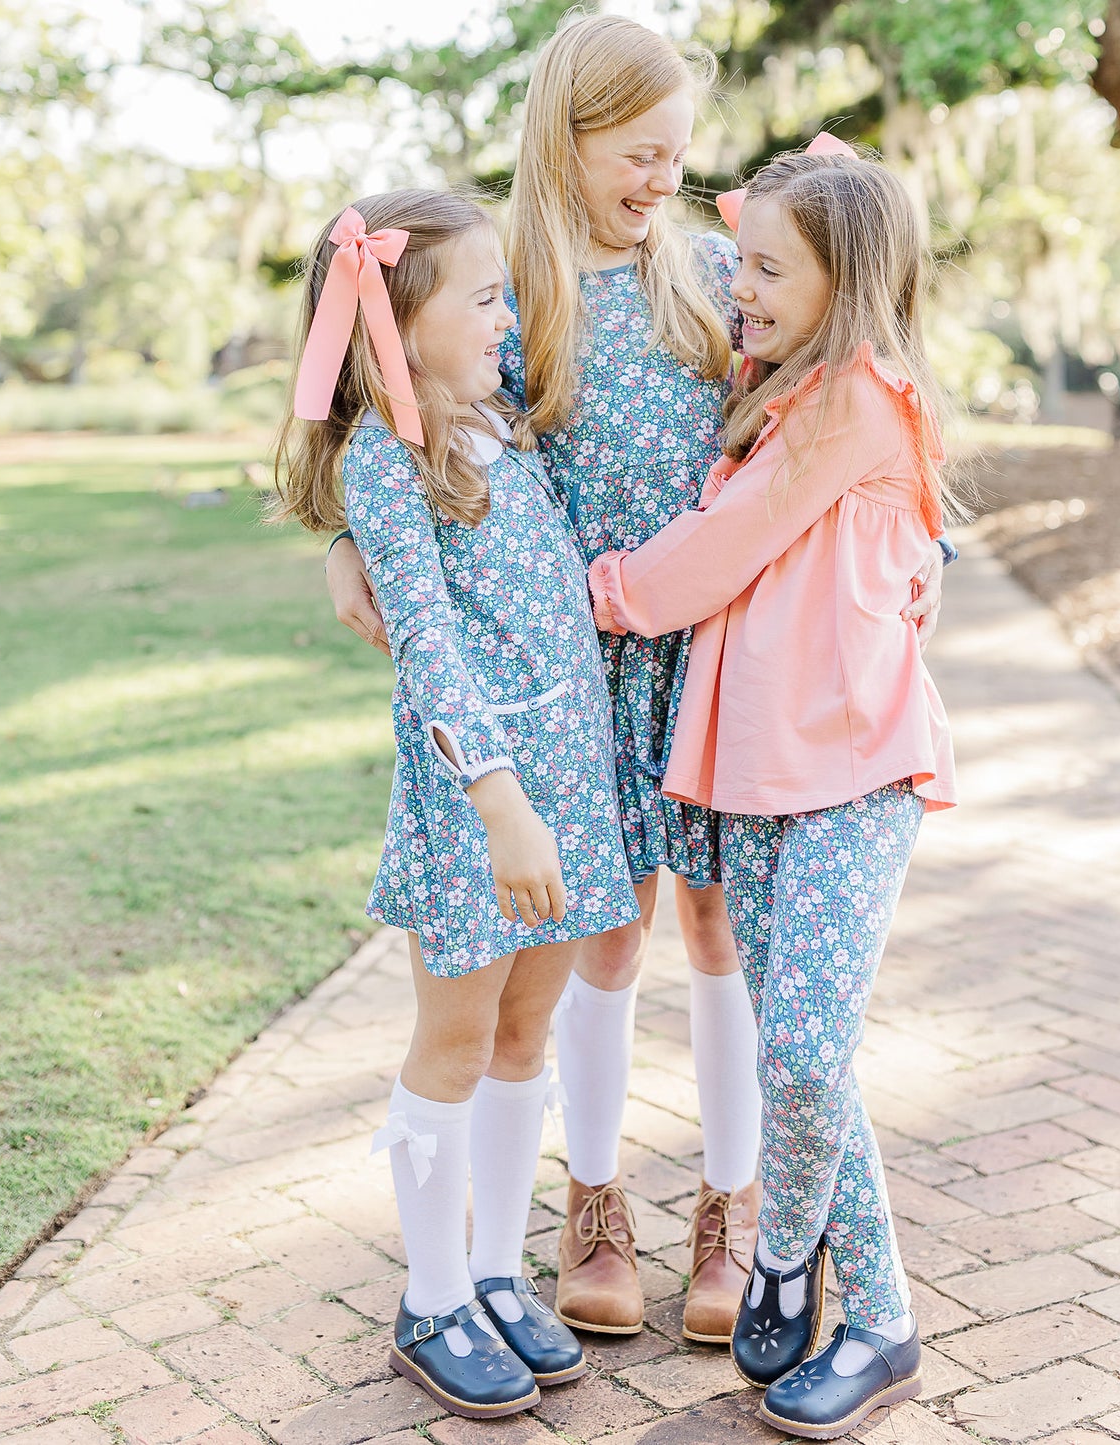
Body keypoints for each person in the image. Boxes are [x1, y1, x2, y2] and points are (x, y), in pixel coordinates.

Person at [325, 15, 947, 1343]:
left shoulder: (716, 275)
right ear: (568, 135)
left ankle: (732, 1210)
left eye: (677, 154)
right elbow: (414, 417)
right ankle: (591, 1204)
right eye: (638, 152)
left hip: (716, 655)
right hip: (575, 669)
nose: (663, 177)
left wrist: (919, 537)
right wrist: (345, 536)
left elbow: (841, 396)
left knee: (718, 930)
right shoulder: (514, 288)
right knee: (601, 938)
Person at [586, 141, 959, 1439]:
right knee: (803, 1050)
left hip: (854, 771)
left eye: (762, 267)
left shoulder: (858, 396)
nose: (735, 285)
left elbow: (717, 553)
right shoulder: (774, 397)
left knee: (801, 1046)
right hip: (746, 778)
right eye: (737, 261)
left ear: (840, 278)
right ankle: (803, 1274)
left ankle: (854, 1303)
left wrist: (594, 595)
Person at [271, 189, 639, 1420]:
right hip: (480, 802)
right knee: (454, 1038)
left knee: (524, 1033)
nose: (507, 315)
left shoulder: (502, 422)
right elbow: (425, 640)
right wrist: (497, 801)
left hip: (570, 788)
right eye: (481, 297)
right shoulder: (391, 460)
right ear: (401, 322)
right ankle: (430, 1296)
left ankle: (493, 1269)